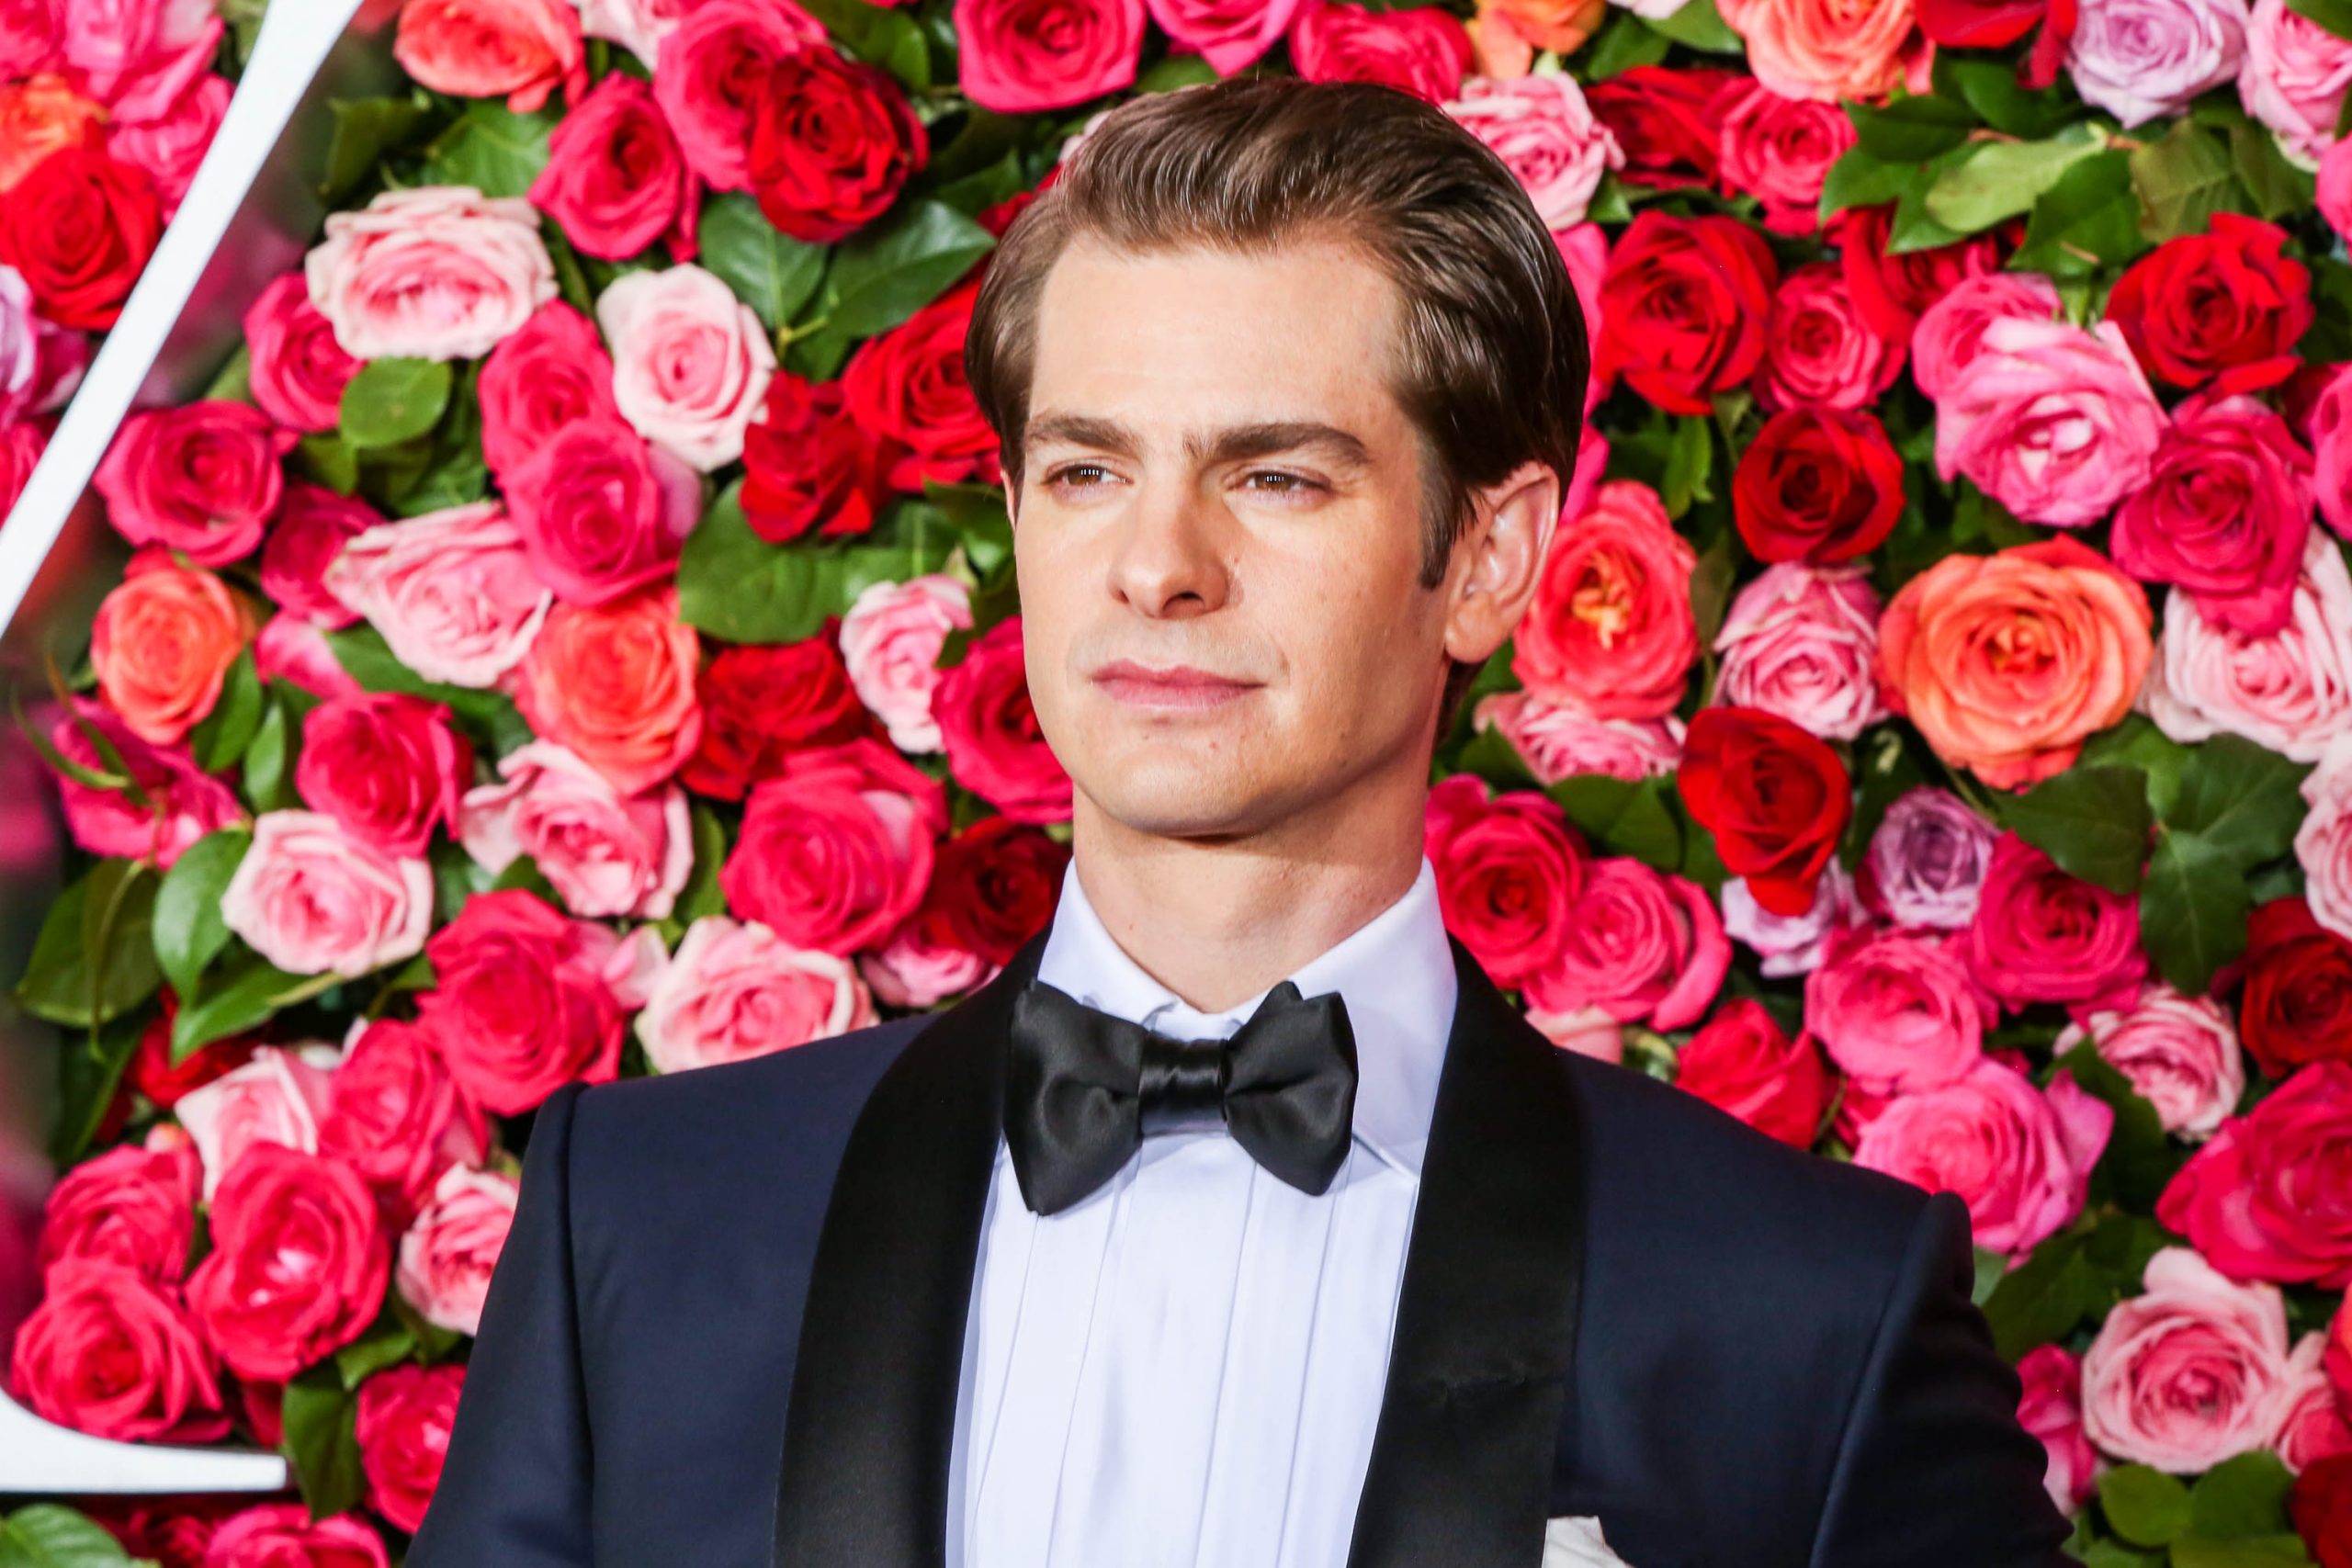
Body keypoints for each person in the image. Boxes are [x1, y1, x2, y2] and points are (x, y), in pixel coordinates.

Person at [408, 76, 2075, 1568]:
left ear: (1486, 559)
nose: (1157, 566)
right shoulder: (643, 1215)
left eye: (1276, 475)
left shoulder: (1802, 1315)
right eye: (1086, 472)